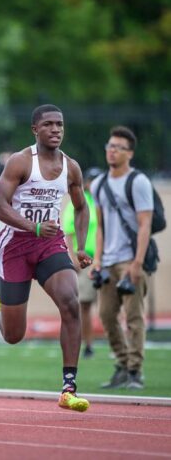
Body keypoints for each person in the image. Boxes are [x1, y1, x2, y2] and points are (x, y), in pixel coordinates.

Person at [0, 104, 91, 412]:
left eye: (60, 124)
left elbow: (82, 206)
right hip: (16, 247)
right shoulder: (21, 162)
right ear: (35, 129)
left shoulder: (71, 167)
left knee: (70, 301)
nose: (56, 129)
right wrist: (32, 226)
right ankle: (3, 303)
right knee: (13, 335)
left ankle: (68, 387)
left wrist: (82, 247)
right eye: (48, 124)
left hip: (51, 244)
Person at [90, 126, 152, 390]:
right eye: (109, 146)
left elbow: (145, 224)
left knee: (134, 316)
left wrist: (137, 263)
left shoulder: (138, 182)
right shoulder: (99, 184)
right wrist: (97, 259)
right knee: (105, 315)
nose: (112, 151)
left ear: (130, 153)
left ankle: (135, 371)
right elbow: (101, 226)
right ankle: (122, 364)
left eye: (118, 147)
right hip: (108, 261)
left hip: (130, 260)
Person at [63, 166, 103, 359]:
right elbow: (68, 233)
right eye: (92, 181)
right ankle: (88, 345)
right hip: (87, 260)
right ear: (85, 182)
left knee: (110, 305)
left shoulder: (103, 201)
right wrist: (73, 259)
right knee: (85, 304)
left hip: (106, 259)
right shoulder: (78, 202)